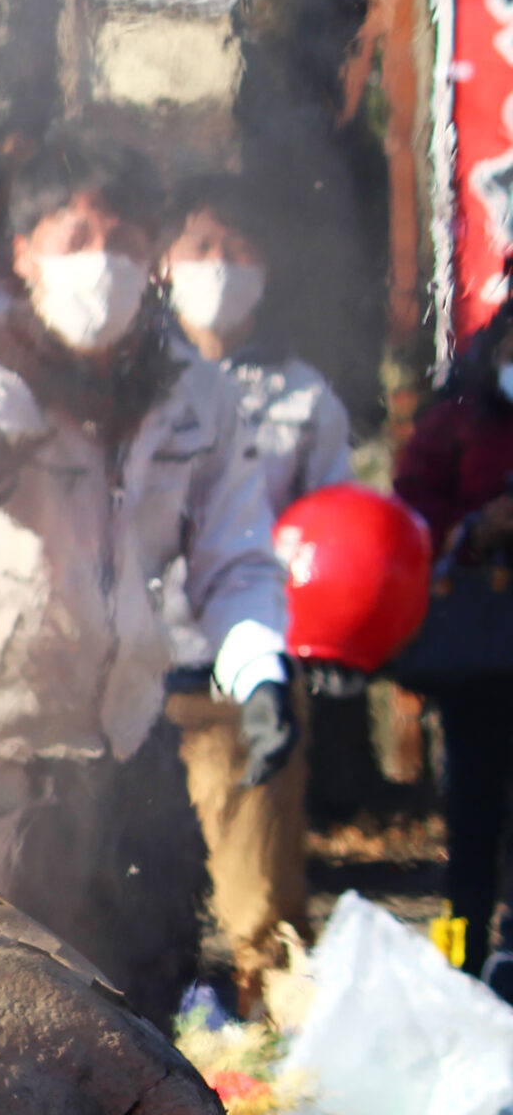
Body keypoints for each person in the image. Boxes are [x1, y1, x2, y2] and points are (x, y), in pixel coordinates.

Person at [0, 135, 291, 1023]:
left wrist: (258, 663)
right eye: (74, 235)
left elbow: (234, 554)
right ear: (25, 253)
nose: (101, 263)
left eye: (121, 239)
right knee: (3, 1029)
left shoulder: (197, 397)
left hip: (130, 750)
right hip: (4, 767)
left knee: (143, 1021)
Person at [158, 173, 349, 1013]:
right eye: (201, 248)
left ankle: (267, 1090)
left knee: (264, 921)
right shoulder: (133, 386)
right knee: (128, 920)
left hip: (245, 686)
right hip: (130, 685)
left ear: (264, 267)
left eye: (236, 250)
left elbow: (336, 536)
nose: (219, 266)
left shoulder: (305, 398)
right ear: (163, 262)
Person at [392, 304, 513, 991]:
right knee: (470, 824)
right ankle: (457, 957)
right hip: (479, 660)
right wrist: (476, 528)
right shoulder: (458, 416)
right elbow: (408, 509)